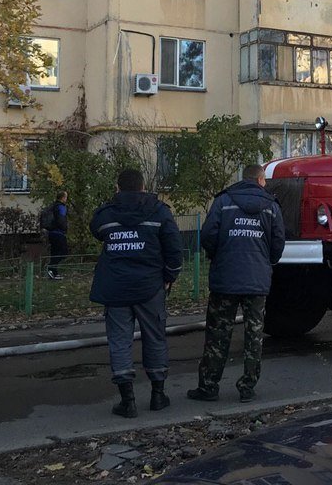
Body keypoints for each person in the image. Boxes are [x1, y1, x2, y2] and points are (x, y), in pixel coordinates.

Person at [187, 164, 286, 403]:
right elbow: (278, 243)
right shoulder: (271, 206)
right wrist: (265, 262)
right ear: (261, 180)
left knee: (218, 334)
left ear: (243, 179)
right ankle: (247, 388)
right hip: (256, 280)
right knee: (254, 335)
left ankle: (209, 386)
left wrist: (218, 257)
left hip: (225, 279)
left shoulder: (224, 202)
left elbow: (208, 236)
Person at [89, 169, 183, 418]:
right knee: (155, 337)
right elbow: (174, 249)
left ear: (117, 188)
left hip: (116, 287)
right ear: (144, 187)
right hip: (151, 287)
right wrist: (169, 277)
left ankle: (127, 401)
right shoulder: (159, 211)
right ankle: (158, 395)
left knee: (120, 341)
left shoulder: (107, 214)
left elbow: (95, 229)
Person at [47, 190, 69, 280]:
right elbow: (61, 219)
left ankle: (54, 273)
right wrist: (65, 228)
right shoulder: (61, 207)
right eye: (66, 197)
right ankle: (51, 268)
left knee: (55, 252)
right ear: (63, 198)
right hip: (59, 232)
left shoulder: (53, 206)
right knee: (63, 252)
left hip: (51, 232)